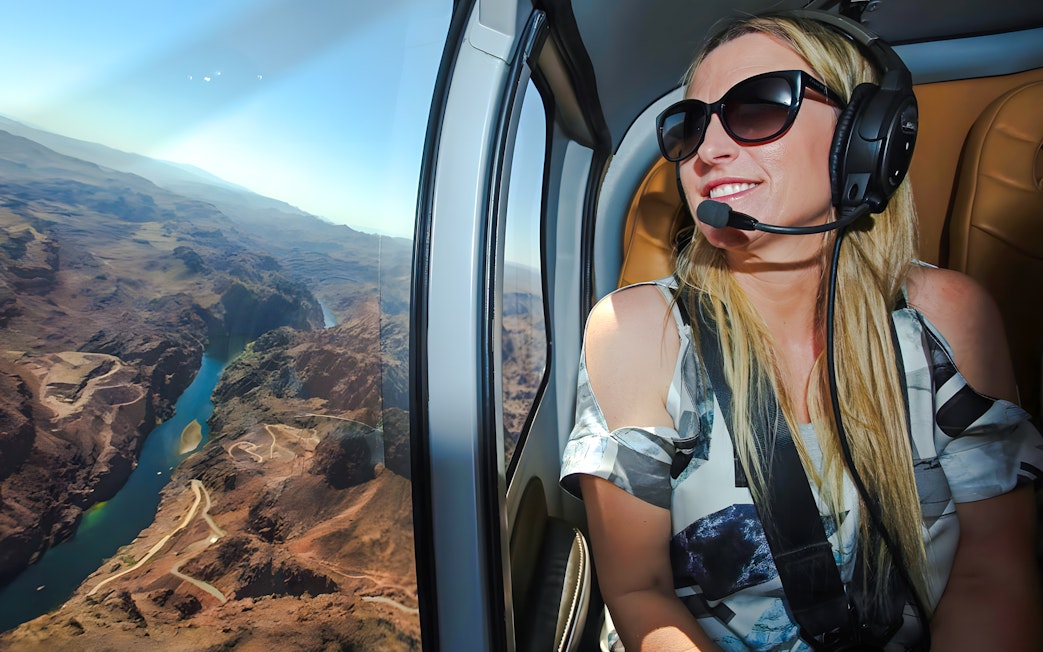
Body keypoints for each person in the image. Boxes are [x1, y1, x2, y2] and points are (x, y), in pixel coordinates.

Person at [560, 12, 1043, 652]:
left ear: (865, 140)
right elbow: (638, 591)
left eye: (757, 108)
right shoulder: (639, 334)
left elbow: (992, 572)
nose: (708, 150)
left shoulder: (948, 322)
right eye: (690, 125)